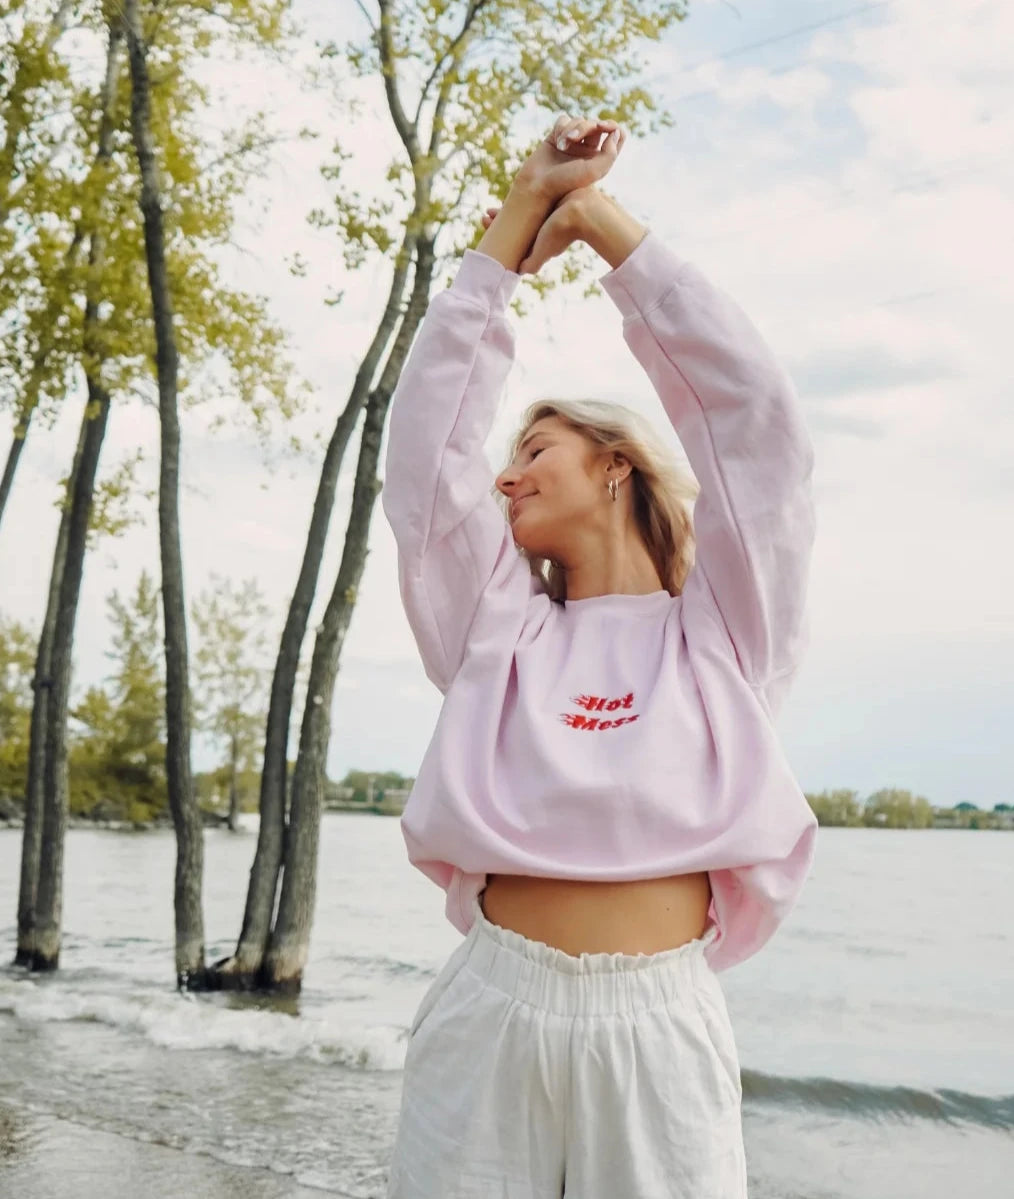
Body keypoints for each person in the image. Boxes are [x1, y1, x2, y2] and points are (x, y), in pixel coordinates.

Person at [380, 113, 818, 1199]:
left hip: (658, 1025)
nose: (508, 477)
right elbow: (427, 457)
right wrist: (513, 224)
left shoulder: (724, 628)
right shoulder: (497, 632)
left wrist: (608, 228)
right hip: (491, 1008)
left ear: (616, 464)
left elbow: (757, 426)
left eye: (535, 450)